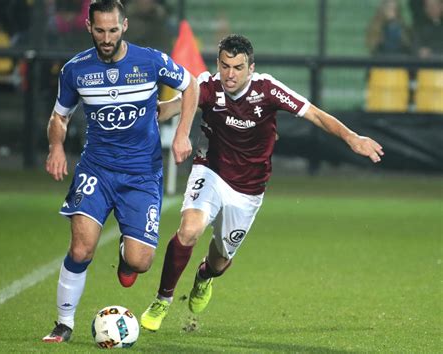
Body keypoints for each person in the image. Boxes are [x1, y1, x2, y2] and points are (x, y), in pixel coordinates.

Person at [140, 34, 384, 332]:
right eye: (225, 65)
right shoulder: (207, 86)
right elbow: (170, 108)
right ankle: (162, 299)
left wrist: (351, 137)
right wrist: (142, 107)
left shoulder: (268, 90)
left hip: (249, 188)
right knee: (189, 230)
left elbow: (316, 116)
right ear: (218, 63)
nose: (230, 74)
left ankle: (203, 278)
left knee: (218, 262)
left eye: (238, 67)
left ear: (251, 68)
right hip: (210, 170)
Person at [42, 0, 199, 343]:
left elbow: (192, 85)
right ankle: (63, 323)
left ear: (124, 26)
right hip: (96, 169)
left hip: (142, 174)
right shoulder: (75, 70)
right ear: (89, 28)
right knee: (81, 249)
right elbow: (60, 116)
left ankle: (127, 259)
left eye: (113, 30)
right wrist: (56, 146)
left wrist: (183, 133)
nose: (107, 37)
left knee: (140, 262)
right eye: (100, 30)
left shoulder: (150, 60)